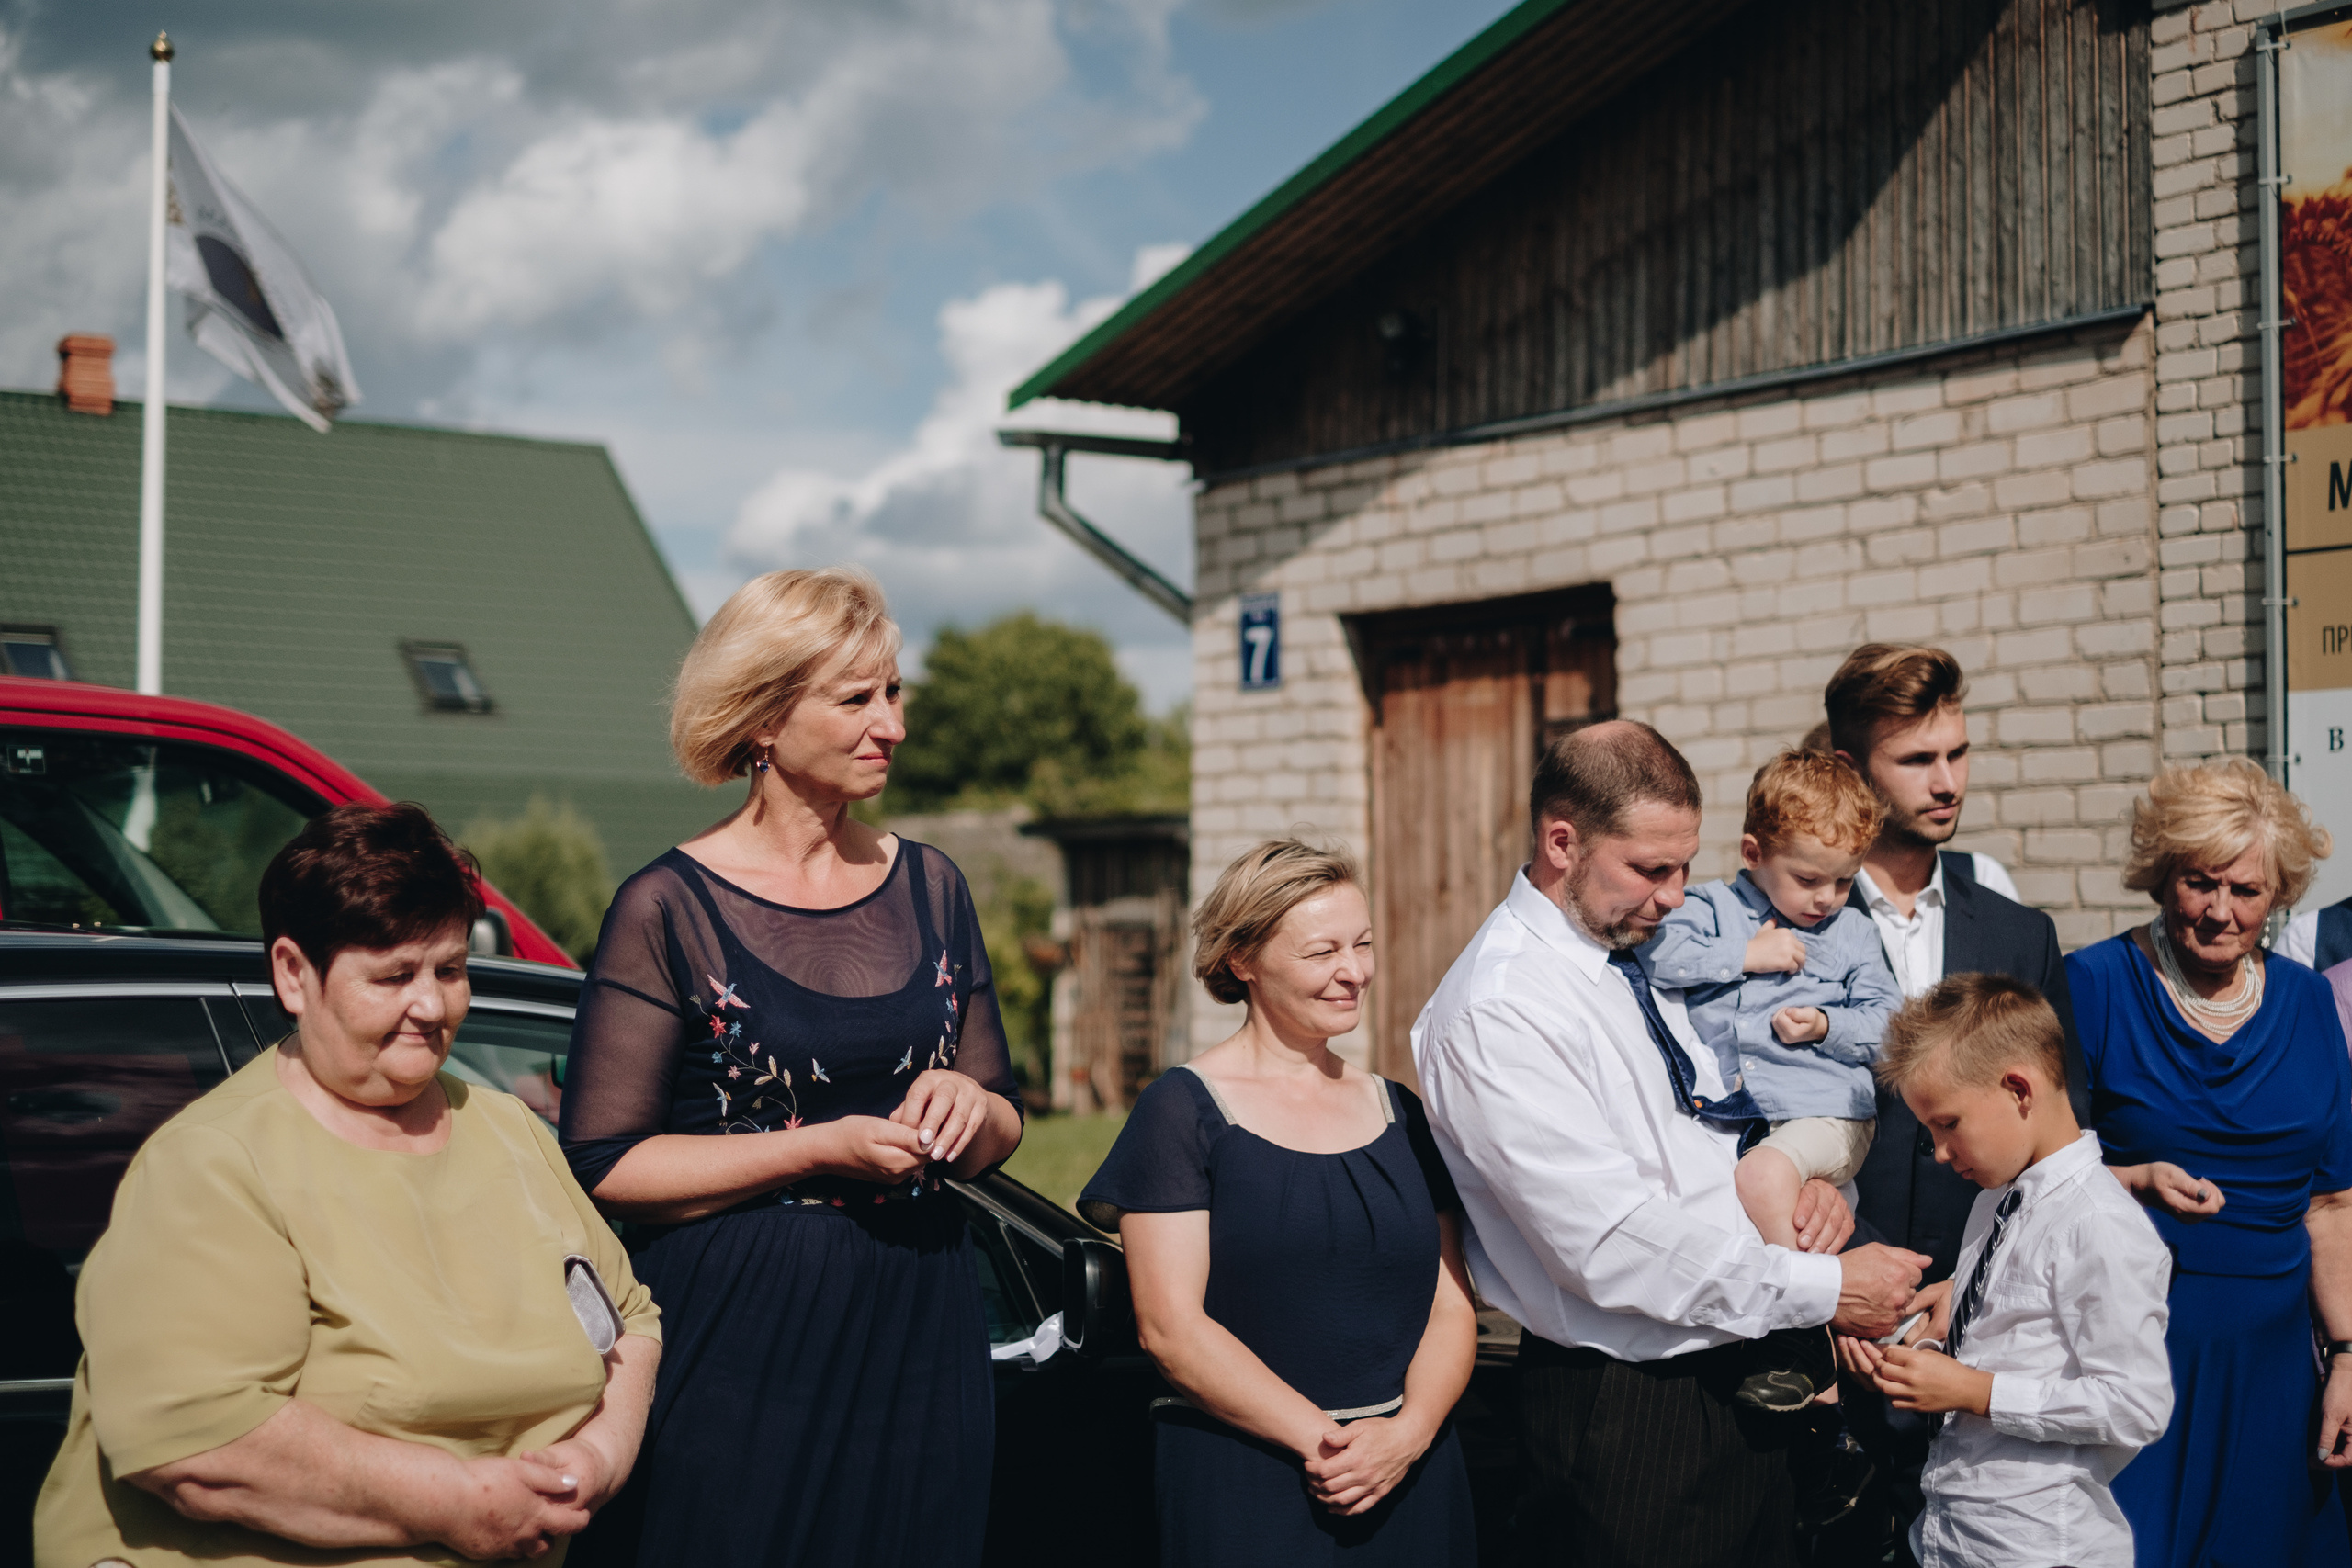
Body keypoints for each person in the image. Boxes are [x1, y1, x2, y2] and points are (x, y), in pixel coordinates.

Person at [33, 803, 662, 1568]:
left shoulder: (512, 1130)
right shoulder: (213, 1164)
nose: (431, 1006)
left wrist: (592, 1463)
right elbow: (201, 1443)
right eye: (394, 975)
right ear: (294, 974)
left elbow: (631, 1321)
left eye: (451, 969)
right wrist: (459, 1501)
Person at [556, 568, 1022, 1568]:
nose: (889, 724)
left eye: (893, 693)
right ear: (762, 721)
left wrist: (968, 1104)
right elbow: (604, 1159)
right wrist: (819, 1150)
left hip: (922, 1325)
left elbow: (1004, 1120)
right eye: (855, 699)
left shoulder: (933, 885)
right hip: (746, 1347)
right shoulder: (666, 907)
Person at [1411, 719, 1928, 1567]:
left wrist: (1813, 1188)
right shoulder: (1501, 1007)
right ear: (1561, 841)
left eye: (1686, 865)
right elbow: (1610, 1245)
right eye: (1650, 868)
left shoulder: (1636, 949)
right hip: (1631, 1410)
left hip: (1748, 1367)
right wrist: (1822, 1285)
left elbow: (1715, 1127)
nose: (1678, 895)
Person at [1080, 840, 1478, 1566]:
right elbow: (1169, 1327)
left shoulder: (1403, 1112)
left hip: (1412, 1473)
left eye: (1361, 944)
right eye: (1322, 951)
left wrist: (1408, 1434)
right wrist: (1330, 1445)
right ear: (1244, 959)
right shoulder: (1181, 1112)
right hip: (1248, 1480)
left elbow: (1452, 1303)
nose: (1353, 971)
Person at [1819, 644, 2093, 1538]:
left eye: (1957, 755)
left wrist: (1972, 1288)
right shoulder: (1781, 926)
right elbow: (1747, 1132)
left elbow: (2058, 1136)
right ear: (1852, 770)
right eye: (1917, 760)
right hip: (1825, 1336)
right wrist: (1832, 1291)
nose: (1947, 782)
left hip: (1983, 1339)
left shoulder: (2017, 932)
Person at [2064, 759, 2352, 1567]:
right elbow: (2039, 1177)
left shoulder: (2306, 1002)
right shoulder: (2093, 984)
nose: (2223, 912)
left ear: (2279, 894)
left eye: (2248, 891)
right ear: (2162, 877)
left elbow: (2332, 1205)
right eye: (2200, 883)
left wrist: (2350, 1357)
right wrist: (2136, 1179)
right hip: (2132, 1353)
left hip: (2274, 1369)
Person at [1838, 975, 2172, 1568]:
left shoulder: (2099, 1224)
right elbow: (2012, 1337)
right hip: (1951, 1533)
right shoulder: (1998, 1196)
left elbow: (2135, 1403)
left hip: (2037, 1544)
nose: (1939, 1151)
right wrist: (1919, 1353)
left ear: (2019, 1089)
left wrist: (1975, 1390)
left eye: (1948, 1123)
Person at [1645, 750, 1902, 1411]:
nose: (1827, 898)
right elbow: (1660, 955)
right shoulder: (1709, 910)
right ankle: (1820, 1406)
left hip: (1828, 1110)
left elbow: (1891, 1025)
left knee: (1761, 1180)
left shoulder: (1850, 934)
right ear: (1754, 850)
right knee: (1751, 1196)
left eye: (1844, 882)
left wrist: (1823, 1024)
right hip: (1750, 1114)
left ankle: (1801, 1340)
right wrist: (1747, 955)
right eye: (1811, 878)